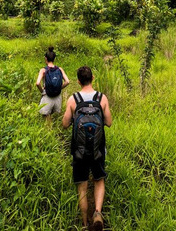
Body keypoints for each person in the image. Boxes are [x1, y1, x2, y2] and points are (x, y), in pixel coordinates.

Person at [62, 66, 112, 231]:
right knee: (99, 180)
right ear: (93, 78)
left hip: (79, 150)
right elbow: (109, 122)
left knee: (82, 185)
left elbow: (65, 124)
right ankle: (97, 212)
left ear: (78, 81)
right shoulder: (101, 98)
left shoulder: (73, 99)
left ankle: (84, 223)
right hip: (98, 148)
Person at [35, 47, 70, 123]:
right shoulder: (59, 69)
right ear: (54, 59)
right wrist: (59, 88)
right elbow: (67, 81)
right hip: (57, 96)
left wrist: (43, 91)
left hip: (47, 96)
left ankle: (49, 131)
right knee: (56, 118)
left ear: (45, 58)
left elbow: (37, 83)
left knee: (46, 119)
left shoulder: (43, 70)